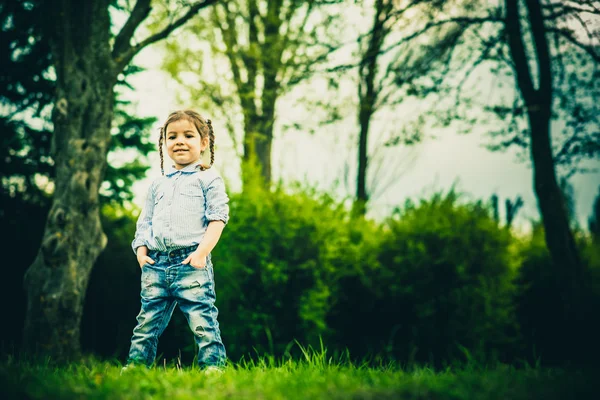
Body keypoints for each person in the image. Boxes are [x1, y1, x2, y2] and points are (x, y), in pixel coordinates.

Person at [123, 110, 229, 373]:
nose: (179, 141)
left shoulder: (208, 179)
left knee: (202, 318)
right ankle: (136, 367)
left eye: (188, 135)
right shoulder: (158, 184)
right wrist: (140, 250)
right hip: (155, 265)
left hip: (191, 261)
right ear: (164, 143)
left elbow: (218, 219)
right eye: (172, 136)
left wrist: (202, 253)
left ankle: (213, 369)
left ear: (204, 142)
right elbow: (145, 222)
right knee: (147, 321)